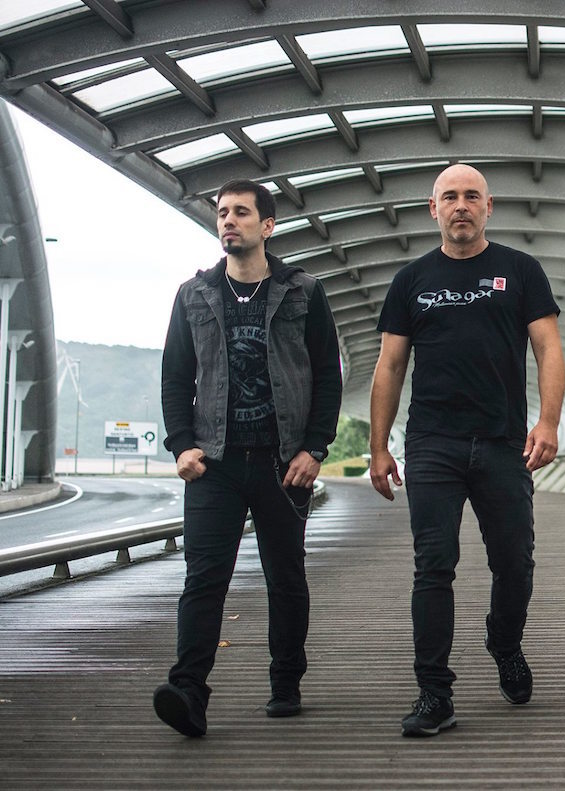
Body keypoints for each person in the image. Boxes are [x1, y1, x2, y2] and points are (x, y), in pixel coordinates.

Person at [369, 164, 565, 737]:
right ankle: (434, 694)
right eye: (450, 197)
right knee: (433, 565)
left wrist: (548, 421)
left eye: (472, 196)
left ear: (488, 207)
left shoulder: (520, 270)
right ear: (433, 209)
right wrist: (379, 447)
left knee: (515, 562)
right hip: (432, 443)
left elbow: (548, 350)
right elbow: (390, 366)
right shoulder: (411, 280)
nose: (461, 205)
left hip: (503, 441)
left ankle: (504, 642)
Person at [155, 179, 342, 736]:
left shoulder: (303, 291)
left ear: (268, 225)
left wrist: (314, 447)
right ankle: (188, 691)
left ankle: (285, 682)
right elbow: (175, 377)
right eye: (222, 213)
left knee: (285, 576)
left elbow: (327, 375)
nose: (228, 221)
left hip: (283, 463)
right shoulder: (193, 295)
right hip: (214, 463)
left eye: (240, 212)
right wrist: (181, 444)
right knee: (203, 579)